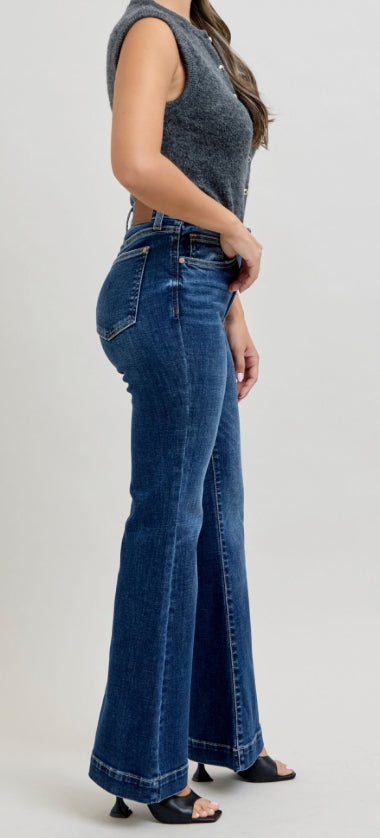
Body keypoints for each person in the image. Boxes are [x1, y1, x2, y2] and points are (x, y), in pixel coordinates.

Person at [88, 0, 296, 825]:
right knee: (169, 524)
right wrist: (237, 231)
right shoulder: (150, 28)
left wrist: (232, 314)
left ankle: (224, 731)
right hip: (165, 282)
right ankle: (143, 767)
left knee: (216, 517)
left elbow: (202, 186)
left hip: (194, 291)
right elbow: (135, 164)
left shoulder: (203, 37)